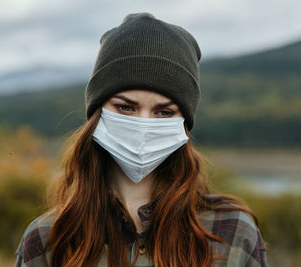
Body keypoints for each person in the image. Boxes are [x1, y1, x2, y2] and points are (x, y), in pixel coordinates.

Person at [15, 12, 268, 267]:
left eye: (164, 112)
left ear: (183, 124)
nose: (144, 124)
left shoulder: (231, 233)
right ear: (97, 112)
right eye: (126, 108)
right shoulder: (49, 239)